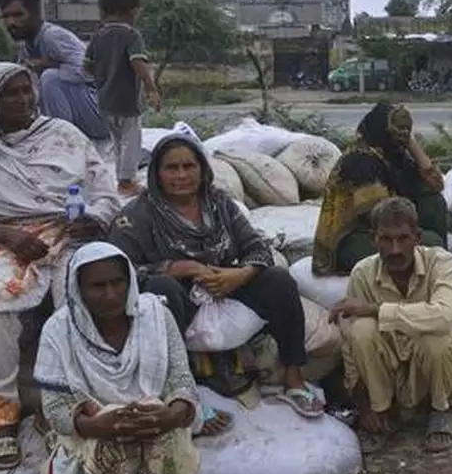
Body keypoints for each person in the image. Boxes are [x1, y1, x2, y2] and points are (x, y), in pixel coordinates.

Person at [0, 62, 120, 470]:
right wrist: (7, 238)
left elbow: (103, 187)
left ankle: (79, 400)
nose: (24, 99)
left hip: (70, 230)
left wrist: (94, 218)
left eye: (28, 90)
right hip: (4, 238)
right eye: (11, 94)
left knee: (84, 292)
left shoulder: (64, 135)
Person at [108, 132, 324, 419]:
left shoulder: (219, 204)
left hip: (225, 291)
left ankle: (294, 379)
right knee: (162, 288)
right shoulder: (136, 216)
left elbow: (257, 247)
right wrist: (175, 268)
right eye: (172, 168)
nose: (181, 175)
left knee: (279, 280)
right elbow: (116, 269)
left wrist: (239, 275)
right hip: (180, 304)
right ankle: (183, 395)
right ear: (156, 174)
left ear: (202, 169)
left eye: (189, 166)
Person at [35, 243, 198, 474]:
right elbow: (54, 407)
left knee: (164, 439)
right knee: (105, 442)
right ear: (78, 288)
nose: (110, 294)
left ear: (130, 282)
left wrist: (172, 414)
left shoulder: (156, 315)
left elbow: (181, 379)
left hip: (156, 415)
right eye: (97, 286)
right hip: (94, 423)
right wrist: (94, 425)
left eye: (117, 282)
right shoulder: (58, 329)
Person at [330, 197, 452, 454]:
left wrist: (375, 310)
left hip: (434, 371)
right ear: (374, 239)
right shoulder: (363, 273)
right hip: (390, 375)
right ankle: (382, 412)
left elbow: (443, 316)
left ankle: (440, 410)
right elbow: (351, 345)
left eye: (403, 239)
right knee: (360, 329)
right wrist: (362, 403)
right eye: (386, 239)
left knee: (435, 335)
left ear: (417, 237)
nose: (395, 250)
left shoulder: (441, 262)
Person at [313, 102, 447, 276]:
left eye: (406, 132)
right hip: (358, 237)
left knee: (434, 202)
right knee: (431, 243)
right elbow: (384, 216)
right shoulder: (360, 161)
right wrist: (413, 234)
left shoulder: (395, 157)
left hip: (393, 228)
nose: (401, 138)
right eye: (397, 132)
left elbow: (436, 184)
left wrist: (412, 145)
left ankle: (439, 274)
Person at [0, 0, 109, 142]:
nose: (11, 22)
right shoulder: (25, 45)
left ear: (35, 14)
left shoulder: (52, 36)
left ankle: (61, 140)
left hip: (99, 114)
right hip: (81, 118)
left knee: (50, 78)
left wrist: (47, 65)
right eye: (6, 17)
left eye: (18, 15)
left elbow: (89, 71)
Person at [85, 0, 161, 197]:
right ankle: (127, 182)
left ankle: (121, 177)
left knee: (117, 141)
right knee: (131, 141)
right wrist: (151, 88)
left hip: (105, 100)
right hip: (127, 99)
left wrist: (104, 72)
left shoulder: (98, 35)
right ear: (129, 10)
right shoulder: (131, 35)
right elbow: (138, 63)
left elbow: (86, 66)